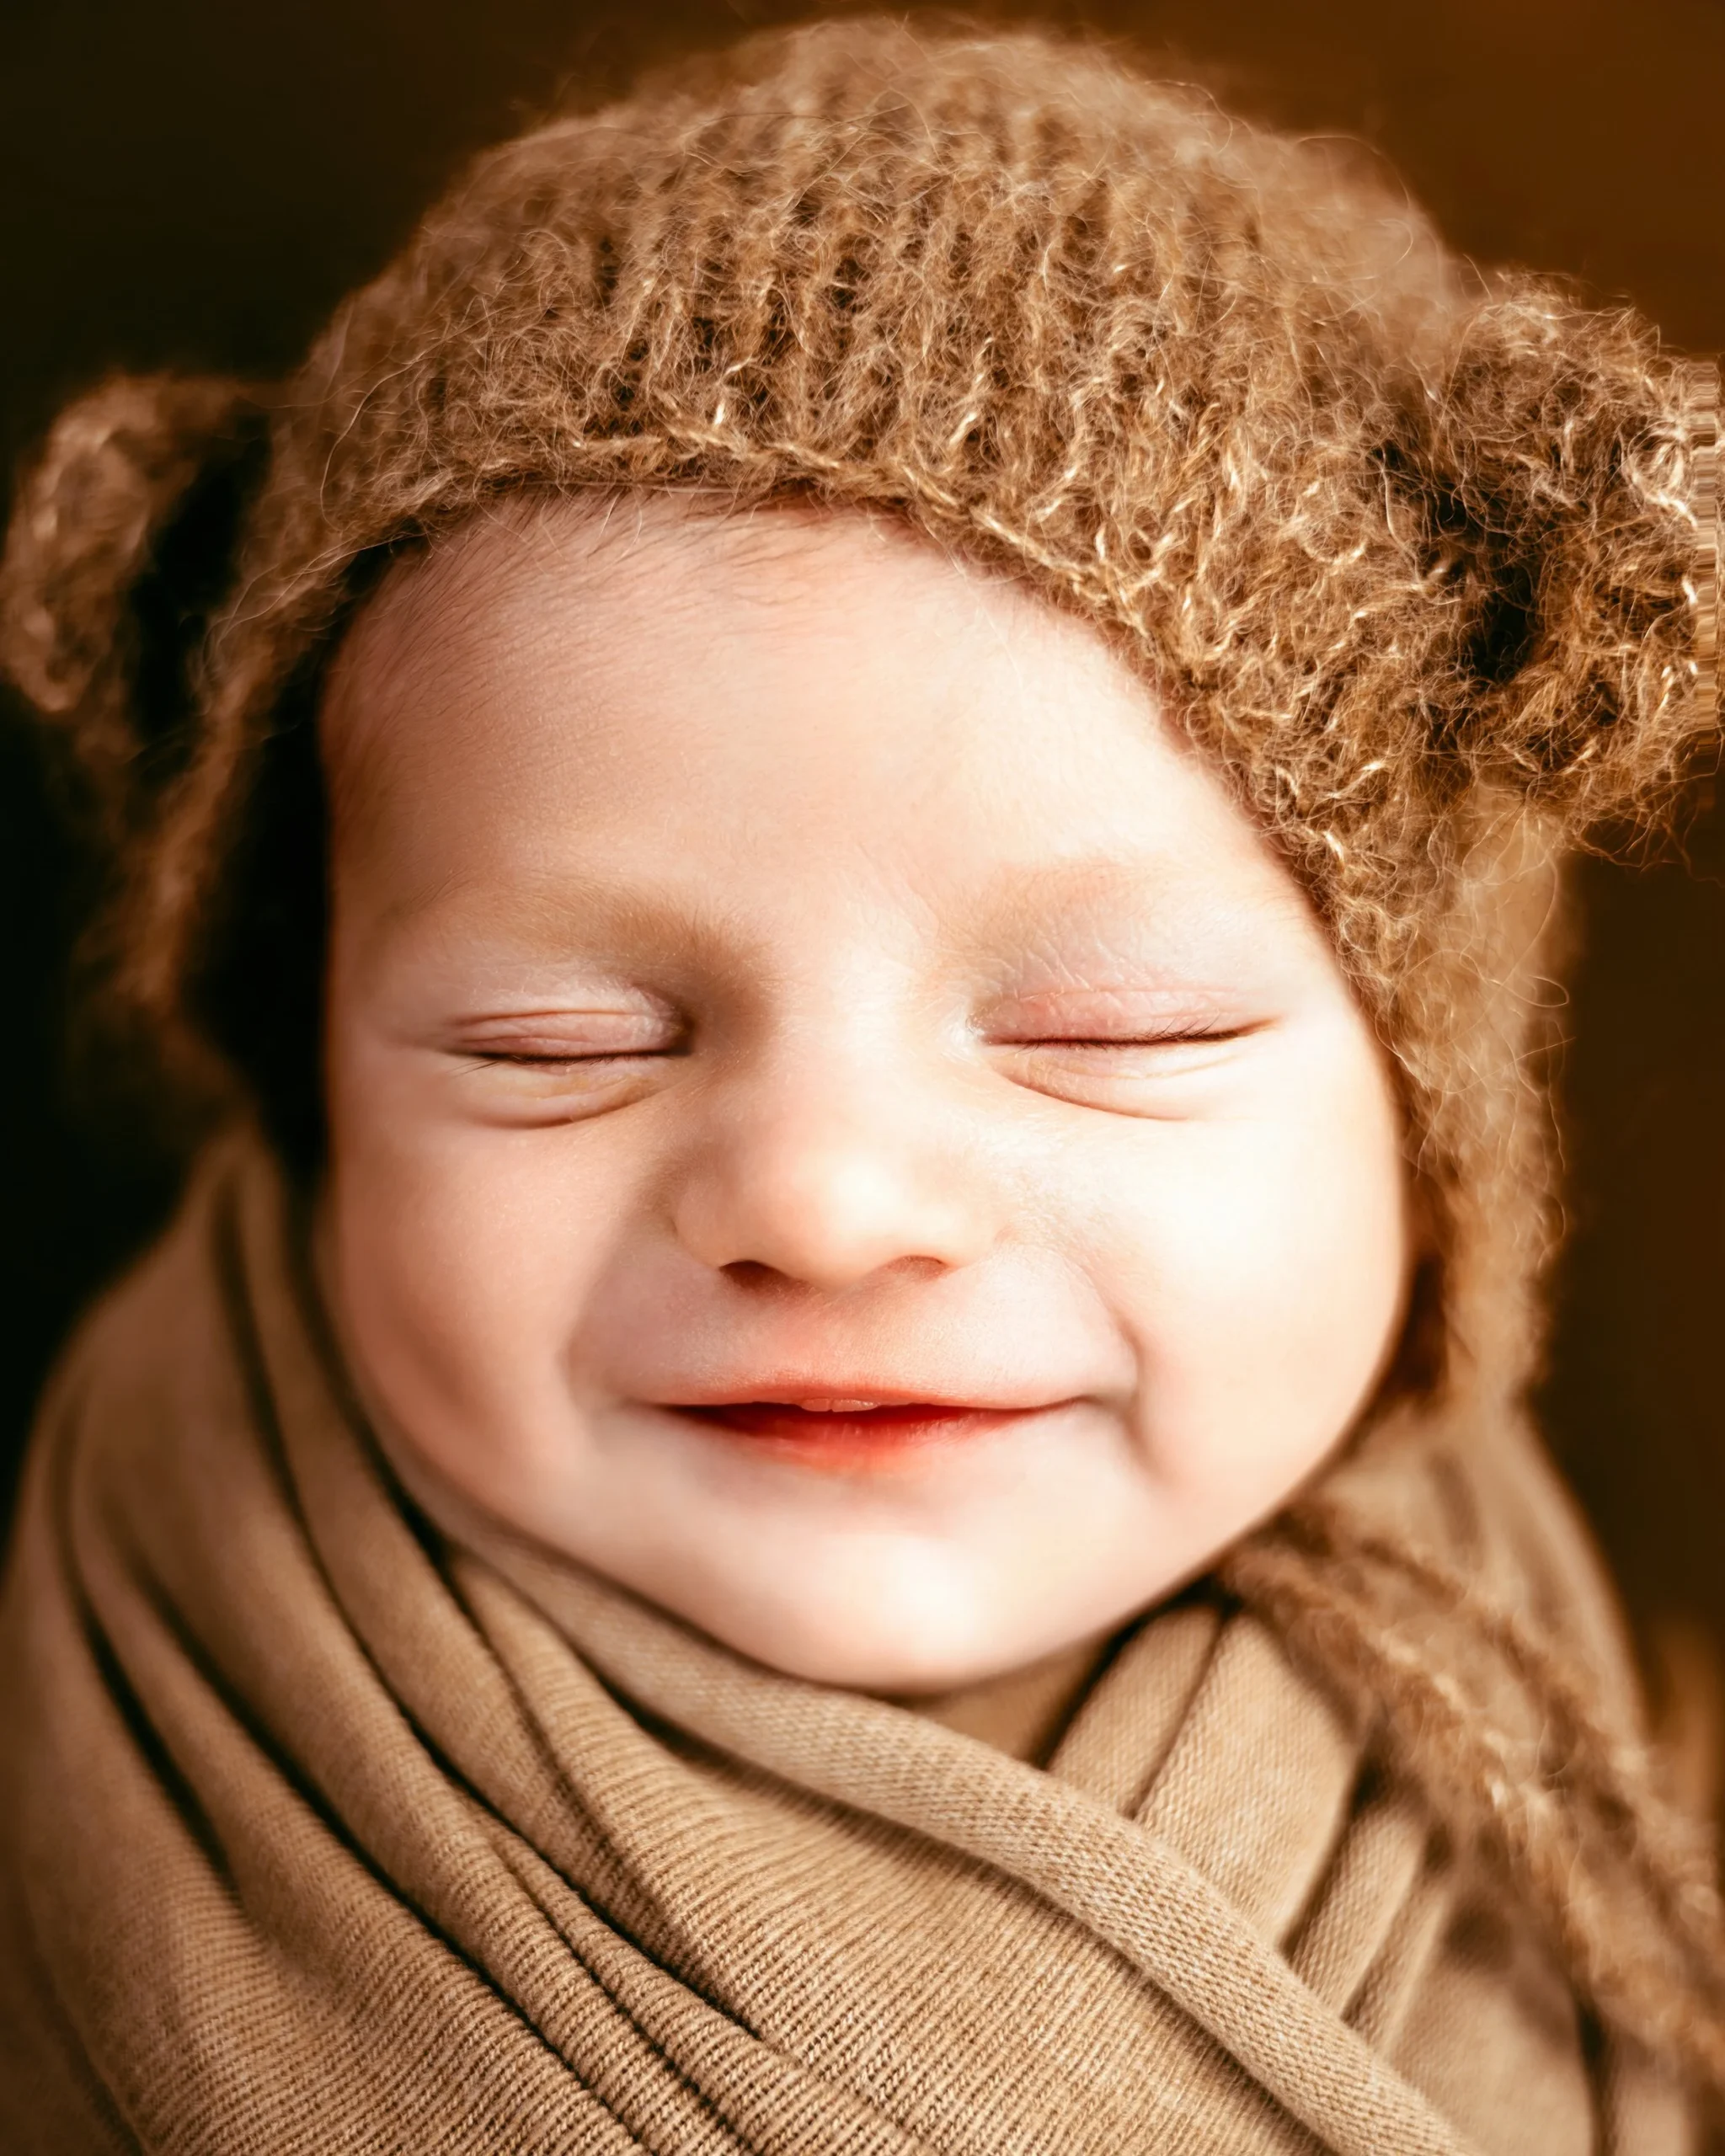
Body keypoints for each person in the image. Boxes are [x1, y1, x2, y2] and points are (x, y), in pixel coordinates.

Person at [0, 19, 1720, 2152]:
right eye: (564, 1040)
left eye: (1111, 1028)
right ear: (317, 1073)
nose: (819, 1199)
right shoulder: (94, 1730)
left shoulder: (1590, 1813)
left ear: (1424, 1126)